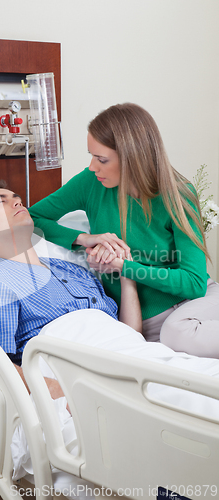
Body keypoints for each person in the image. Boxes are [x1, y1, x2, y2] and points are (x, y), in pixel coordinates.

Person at [28, 102, 219, 358]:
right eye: (92, 156)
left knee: (176, 332)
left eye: (102, 159)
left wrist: (124, 266)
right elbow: (32, 217)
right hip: (148, 324)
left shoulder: (178, 194)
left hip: (198, 306)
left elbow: (195, 284)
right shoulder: (90, 184)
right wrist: (84, 238)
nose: (93, 167)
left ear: (132, 159)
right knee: (170, 336)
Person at [0, 178, 142, 398]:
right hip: (80, 379)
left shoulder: (73, 270)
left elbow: (129, 336)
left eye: (17, 199)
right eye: (2, 202)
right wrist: (60, 391)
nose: (18, 203)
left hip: (137, 360)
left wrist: (127, 275)